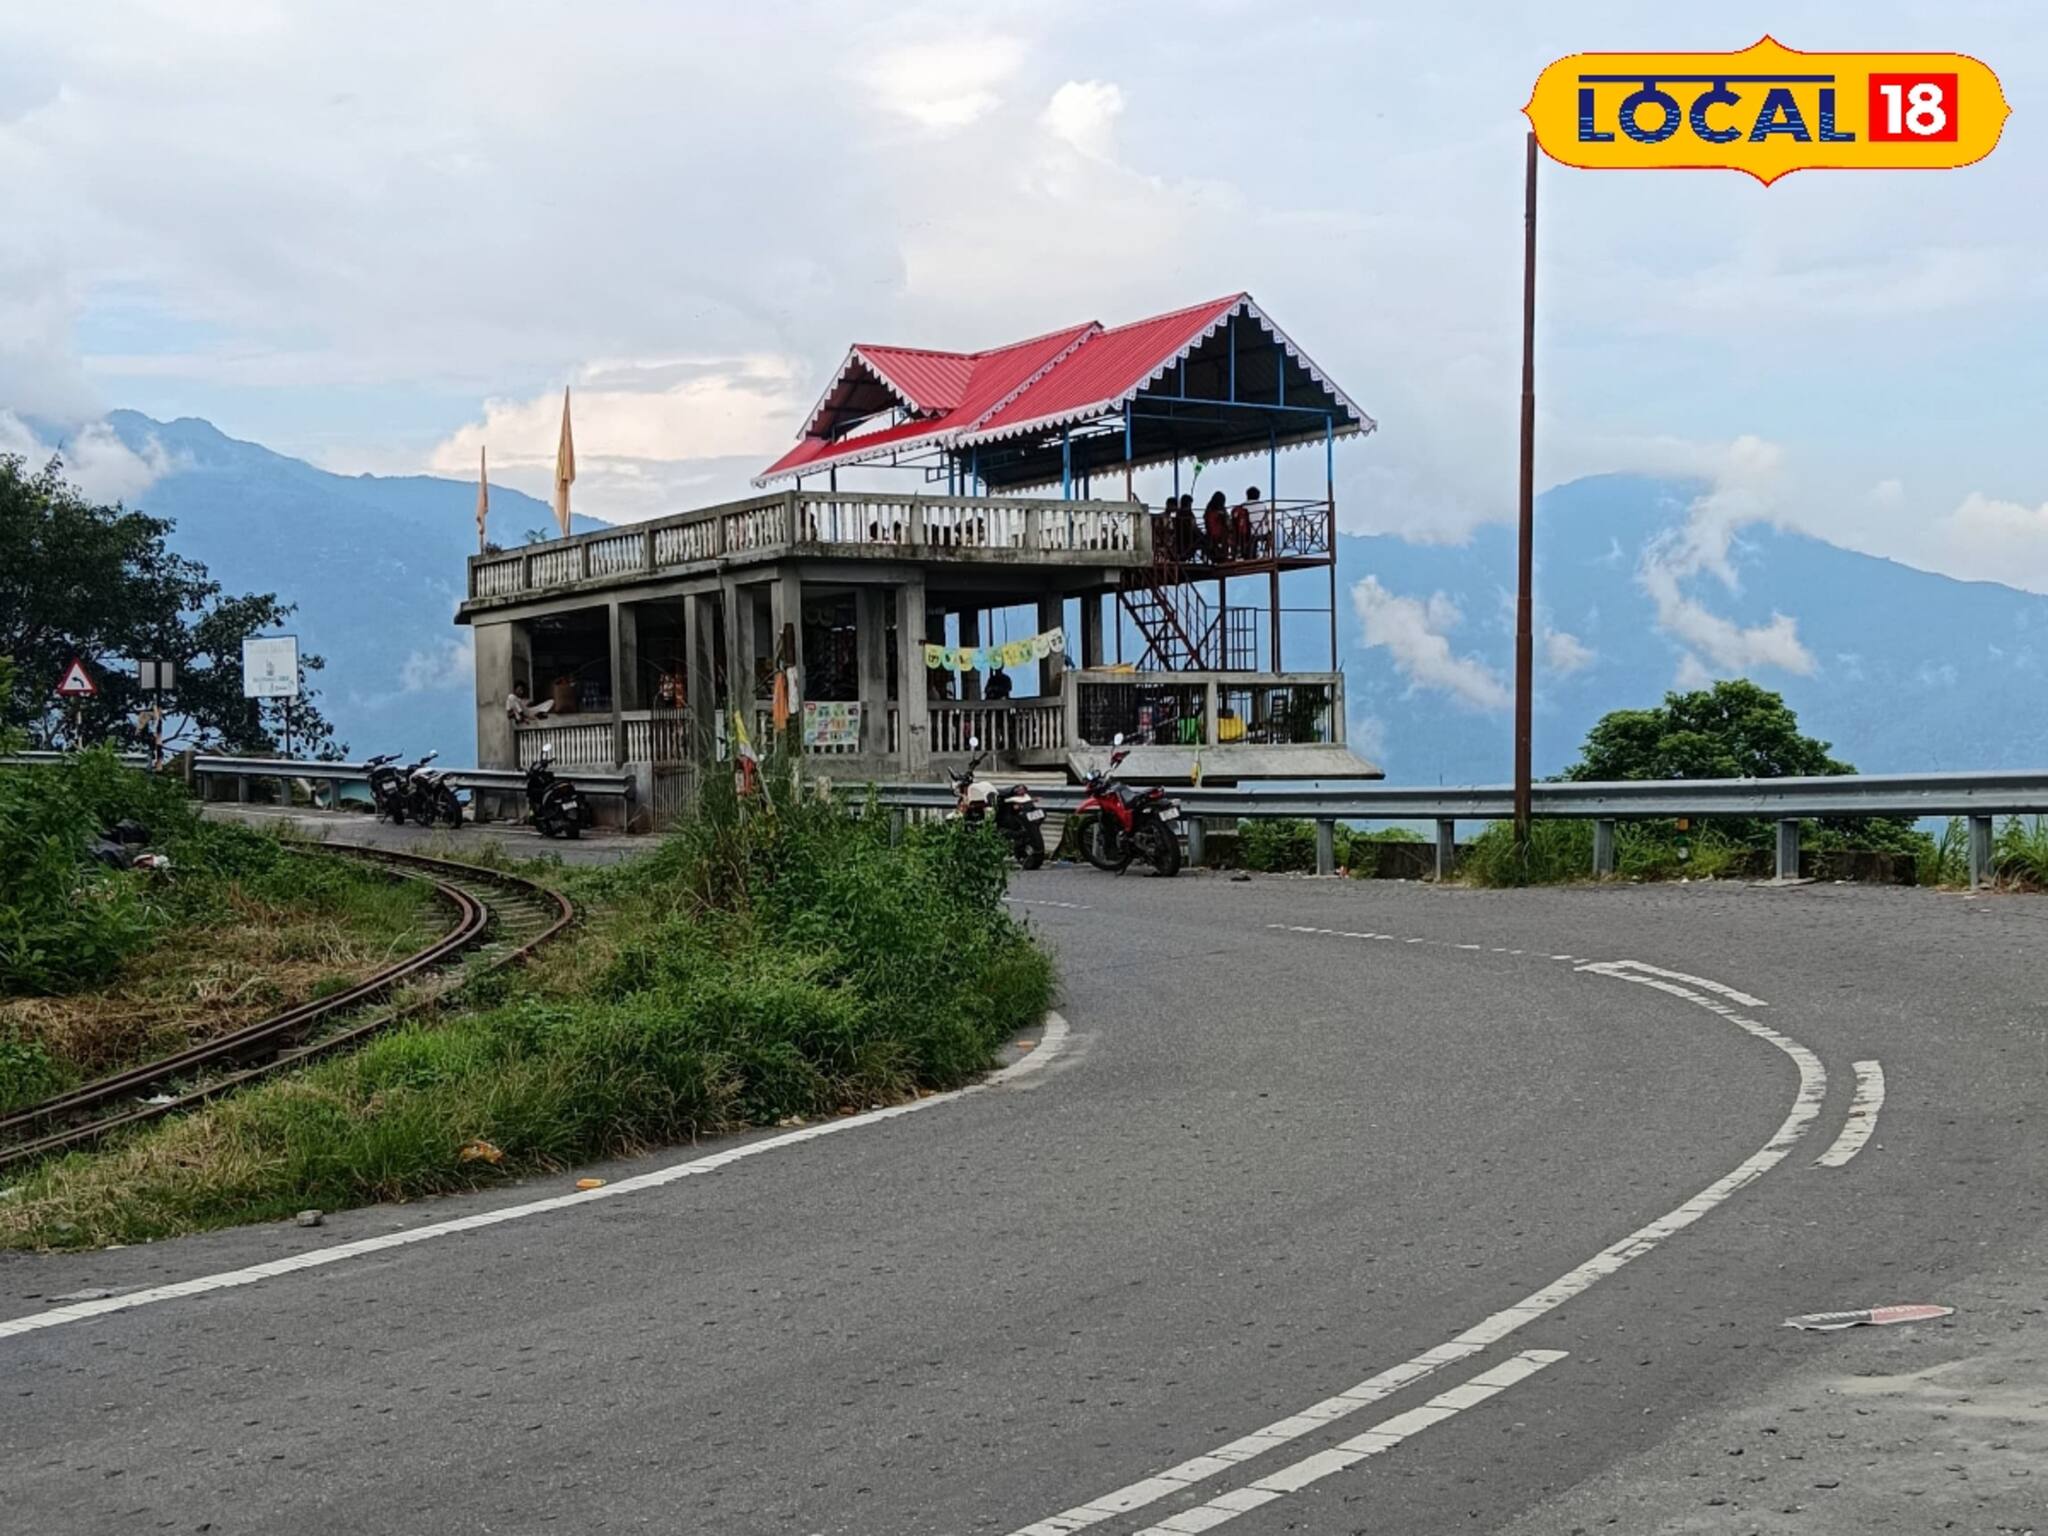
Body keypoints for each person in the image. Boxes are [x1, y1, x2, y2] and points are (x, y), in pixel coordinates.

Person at [1202, 491, 1229, 563]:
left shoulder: (1208, 510)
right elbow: (1227, 522)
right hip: (1220, 534)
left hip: (1210, 534)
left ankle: (1217, 557)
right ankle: (1225, 556)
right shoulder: (1221, 512)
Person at [1173, 493, 1196, 562]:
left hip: (1182, 537)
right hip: (1188, 537)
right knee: (1203, 540)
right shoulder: (1189, 514)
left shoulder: (1178, 513)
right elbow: (1193, 526)